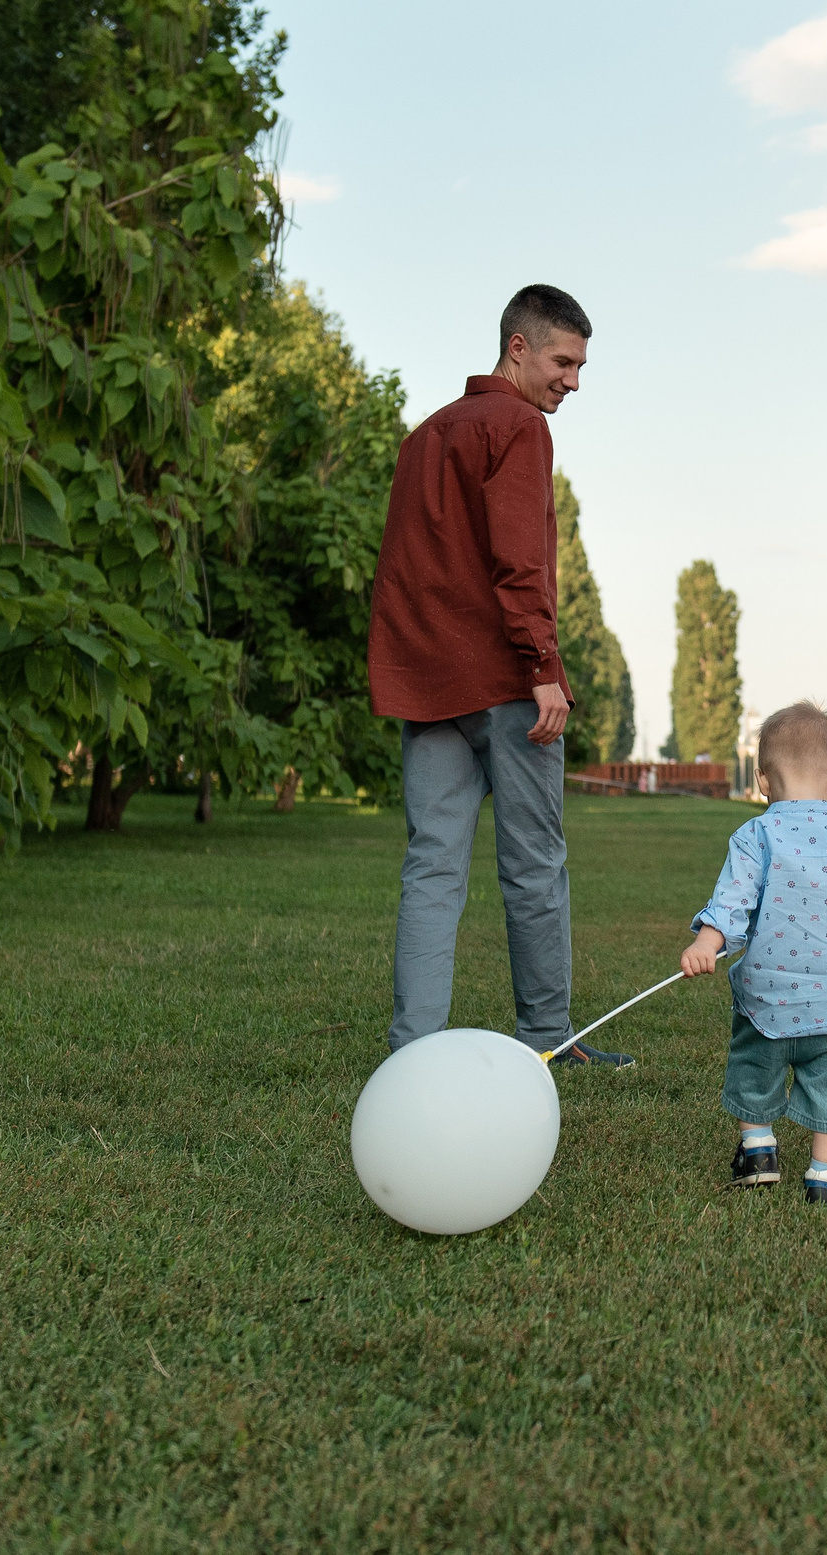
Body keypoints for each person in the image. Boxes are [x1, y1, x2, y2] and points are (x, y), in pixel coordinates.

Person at [367, 284, 631, 1066]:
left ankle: (412, 1050)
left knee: (432, 866)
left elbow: (404, 572)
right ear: (519, 347)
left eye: (581, 366)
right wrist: (543, 666)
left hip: (432, 685)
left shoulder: (425, 436)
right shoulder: (516, 425)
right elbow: (519, 562)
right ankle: (548, 1040)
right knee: (534, 865)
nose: (573, 381)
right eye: (564, 361)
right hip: (509, 684)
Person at [681, 702, 827, 1202]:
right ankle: (825, 1181)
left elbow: (733, 902)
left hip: (767, 998)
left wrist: (708, 941)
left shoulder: (754, 835)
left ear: (763, 780)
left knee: (754, 1066)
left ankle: (759, 1150)